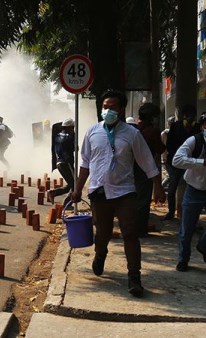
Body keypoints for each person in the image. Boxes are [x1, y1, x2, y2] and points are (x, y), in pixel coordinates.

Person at [71, 89, 165, 298]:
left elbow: (147, 161)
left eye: (112, 107)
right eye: (105, 107)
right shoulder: (92, 132)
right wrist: (78, 189)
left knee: (130, 233)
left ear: (121, 109)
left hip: (124, 192)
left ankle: (134, 277)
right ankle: (100, 254)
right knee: (102, 234)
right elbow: (85, 163)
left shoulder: (132, 134)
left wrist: (157, 186)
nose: (108, 111)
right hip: (99, 191)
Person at [172, 114, 206, 271]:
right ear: (202, 126)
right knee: (187, 228)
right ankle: (183, 259)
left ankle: (203, 248)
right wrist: (201, 162)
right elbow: (177, 160)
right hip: (193, 188)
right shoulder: (195, 141)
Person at [133, 103, 165, 237]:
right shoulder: (152, 131)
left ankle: (133, 227)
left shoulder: (134, 129)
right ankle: (140, 230)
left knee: (134, 199)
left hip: (132, 168)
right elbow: (160, 148)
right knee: (143, 201)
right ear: (151, 117)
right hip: (145, 169)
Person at [164, 104, 200, 220]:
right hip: (177, 163)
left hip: (192, 164)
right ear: (184, 116)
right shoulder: (176, 126)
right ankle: (171, 212)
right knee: (172, 188)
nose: (190, 118)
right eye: (187, 116)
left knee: (191, 189)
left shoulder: (198, 128)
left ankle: (187, 214)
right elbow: (170, 145)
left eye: (192, 116)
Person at [48, 118, 75, 205]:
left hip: (59, 162)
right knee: (75, 184)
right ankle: (67, 203)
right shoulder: (69, 137)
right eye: (72, 127)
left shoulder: (57, 135)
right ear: (68, 127)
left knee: (70, 184)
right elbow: (74, 148)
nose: (73, 129)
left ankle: (53, 193)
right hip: (66, 163)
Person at [160, 115, 176, 189]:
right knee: (170, 176)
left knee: (171, 176)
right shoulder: (165, 133)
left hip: (169, 157)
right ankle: (160, 188)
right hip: (167, 157)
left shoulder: (165, 133)